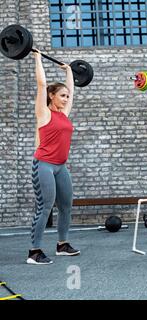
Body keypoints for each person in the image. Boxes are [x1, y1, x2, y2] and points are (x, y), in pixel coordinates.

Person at [27, 51, 80, 265]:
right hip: (44, 166)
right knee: (45, 207)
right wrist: (37, 58)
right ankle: (34, 251)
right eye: (62, 96)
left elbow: (73, 92)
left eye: (67, 96)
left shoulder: (63, 114)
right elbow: (41, 85)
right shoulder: (44, 113)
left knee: (66, 205)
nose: (66, 99)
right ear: (52, 96)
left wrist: (69, 71)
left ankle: (62, 245)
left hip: (61, 167)